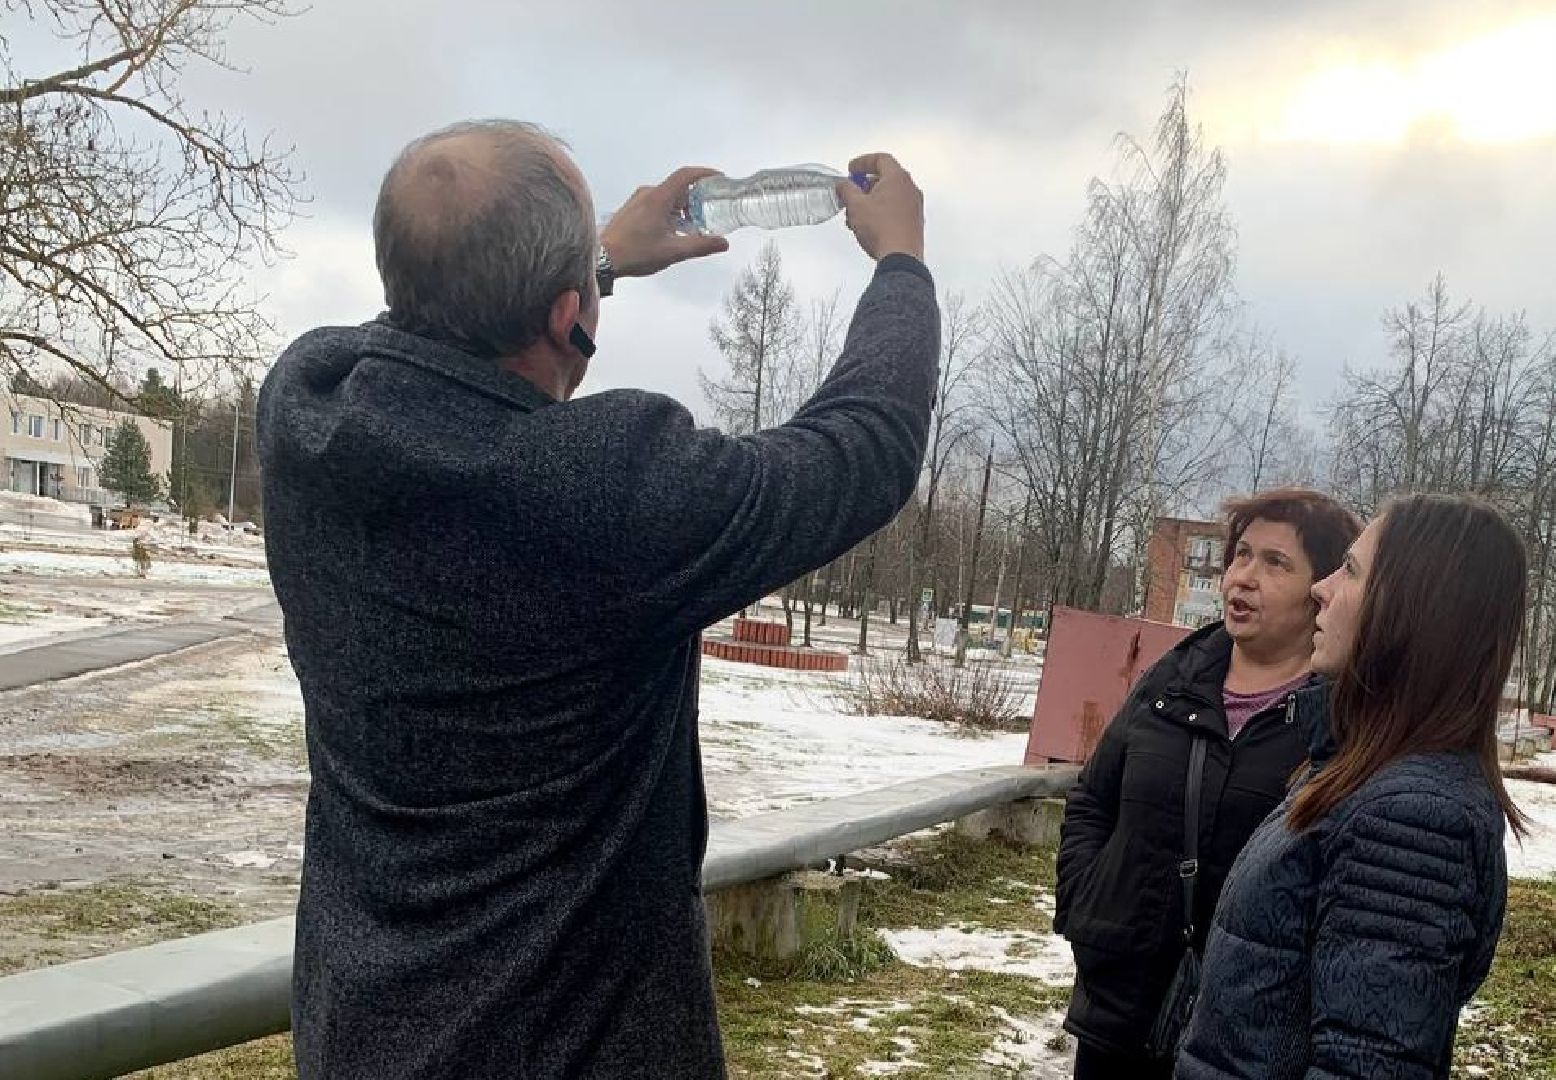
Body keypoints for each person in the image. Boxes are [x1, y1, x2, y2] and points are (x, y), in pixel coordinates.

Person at [256, 120, 938, 1080]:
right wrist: (901, 263)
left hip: (361, 1036)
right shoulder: (603, 492)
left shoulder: (303, 410)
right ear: (567, 313)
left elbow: (428, 334)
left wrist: (598, 262)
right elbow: (862, 448)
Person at [1177, 494, 1527, 1079]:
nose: (1323, 588)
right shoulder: (1356, 768)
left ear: (1412, 610)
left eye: (1352, 570)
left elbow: (1368, 1064)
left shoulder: (1413, 819)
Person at [1053, 488, 1362, 1079]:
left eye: (1276, 563)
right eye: (1241, 555)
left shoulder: (1339, 721)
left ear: (1321, 589)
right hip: (1121, 1005)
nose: (1243, 578)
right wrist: (1085, 900)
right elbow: (1094, 798)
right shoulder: (1172, 681)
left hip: (1244, 1034)